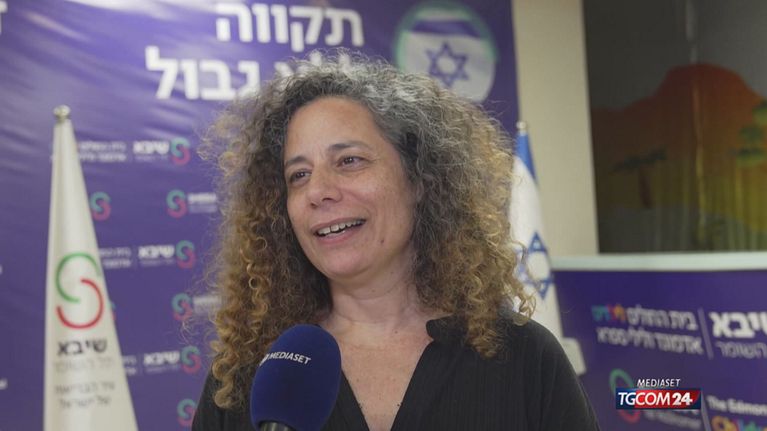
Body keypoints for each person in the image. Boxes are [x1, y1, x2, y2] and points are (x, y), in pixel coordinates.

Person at [192, 51, 600, 431]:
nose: (317, 191)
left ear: (419, 180)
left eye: (349, 161)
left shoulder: (525, 359)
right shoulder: (250, 374)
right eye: (298, 175)